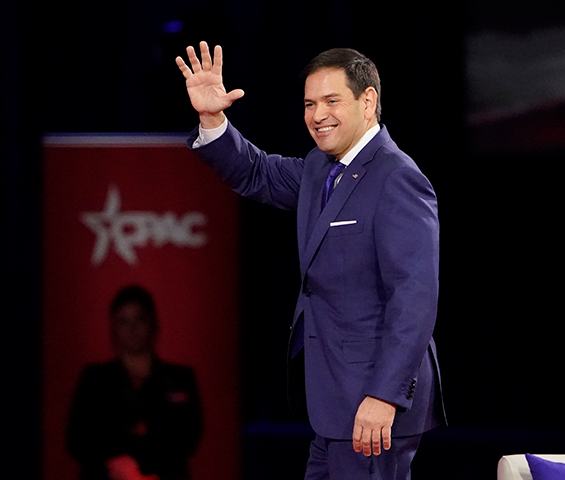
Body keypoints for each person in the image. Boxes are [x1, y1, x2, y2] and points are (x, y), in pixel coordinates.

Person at [176, 42, 445, 479]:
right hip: (334, 400)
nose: (317, 115)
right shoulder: (323, 168)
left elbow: (414, 298)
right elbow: (256, 172)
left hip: (371, 403)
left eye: (332, 101)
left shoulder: (397, 178)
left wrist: (385, 396)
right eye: (309, 104)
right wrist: (213, 119)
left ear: (368, 101)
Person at [66, 285, 203, 480]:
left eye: (139, 319)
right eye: (123, 322)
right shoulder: (94, 379)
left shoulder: (180, 378)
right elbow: (78, 441)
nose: (132, 329)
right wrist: (120, 466)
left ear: (152, 324)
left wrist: (141, 472)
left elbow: (187, 438)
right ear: (113, 329)